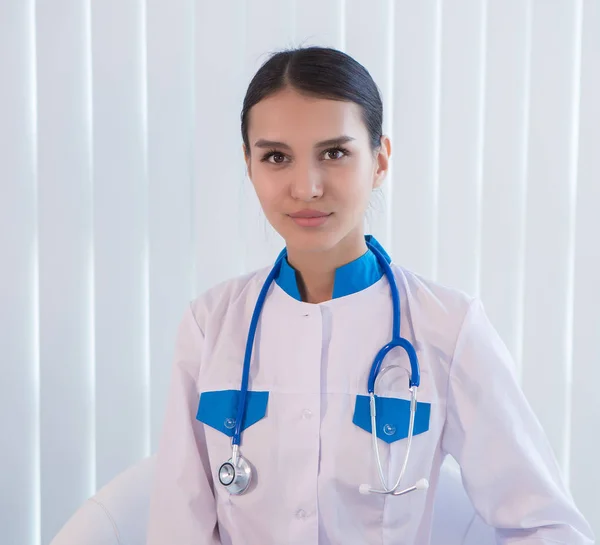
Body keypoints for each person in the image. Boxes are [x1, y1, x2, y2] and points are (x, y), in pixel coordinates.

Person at [146, 46, 594, 545]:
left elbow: (548, 527)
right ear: (249, 167)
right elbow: (177, 528)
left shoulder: (448, 326)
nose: (307, 186)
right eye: (276, 157)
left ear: (379, 161)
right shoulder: (211, 325)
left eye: (334, 153)